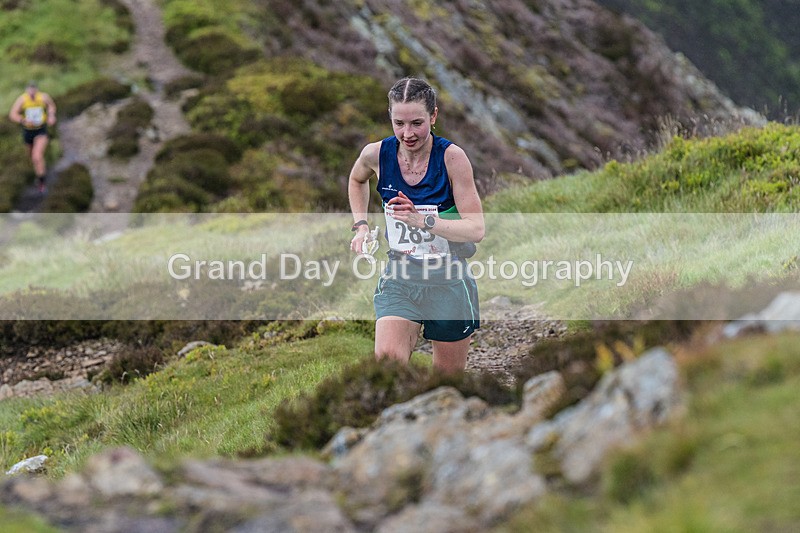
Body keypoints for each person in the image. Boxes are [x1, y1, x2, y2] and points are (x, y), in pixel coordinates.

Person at [348, 77, 485, 374]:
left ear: (433, 116)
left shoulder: (452, 158)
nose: (407, 133)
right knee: (388, 374)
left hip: (448, 280)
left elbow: (476, 229)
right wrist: (360, 225)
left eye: (416, 123)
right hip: (400, 277)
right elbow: (357, 179)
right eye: (399, 123)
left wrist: (423, 221)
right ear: (390, 118)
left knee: (446, 384)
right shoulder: (376, 154)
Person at [8, 81, 57, 192]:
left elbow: (51, 106)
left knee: (37, 156)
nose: (32, 92)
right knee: (31, 156)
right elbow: (13, 114)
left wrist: (51, 116)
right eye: (30, 90)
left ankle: (42, 183)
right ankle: (39, 171)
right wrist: (23, 120)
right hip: (28, 131)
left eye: (34, 89)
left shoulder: (43, 97)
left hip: (41, 130)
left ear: (37, 89)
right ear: (26, 90)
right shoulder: (22, 99)